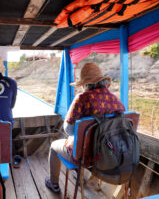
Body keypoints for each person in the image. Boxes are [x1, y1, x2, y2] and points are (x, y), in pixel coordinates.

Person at [45, 62, 125, 193]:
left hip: (85, 156)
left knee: (55, 146)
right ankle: (80, 176)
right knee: (83, 140)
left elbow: (68, 129)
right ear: (102, 81)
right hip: (110, 154)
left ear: (85, 84)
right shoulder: (115, 99)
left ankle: (54, 183)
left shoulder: (82, 98)